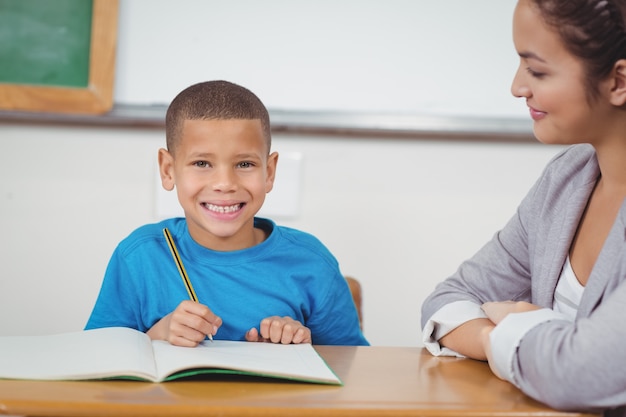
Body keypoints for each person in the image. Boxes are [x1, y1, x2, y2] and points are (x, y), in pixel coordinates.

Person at [420, 0, 626, 416]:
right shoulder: (567, 179)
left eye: (537, 70)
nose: (517, 87)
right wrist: (497, 339)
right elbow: (448, 299)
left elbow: (582, 373)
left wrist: (512, 325)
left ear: (619, 81)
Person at [86, 80, 368, 348]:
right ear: (168, 170)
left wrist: (302, 346)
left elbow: (354, 368)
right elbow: (96, 361)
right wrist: (156, 335)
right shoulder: (139, 257)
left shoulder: (311, 263)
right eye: (202, 163)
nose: (225, 183)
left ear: (269, 173)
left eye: (244, 164)